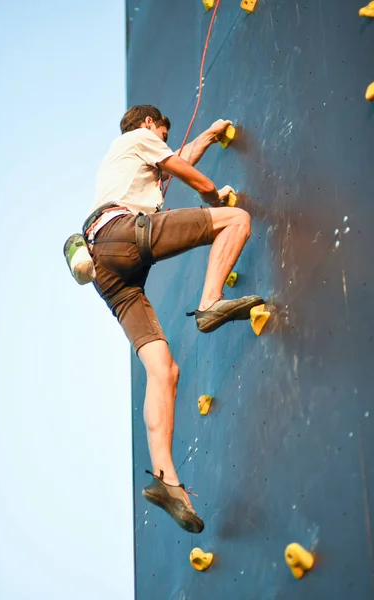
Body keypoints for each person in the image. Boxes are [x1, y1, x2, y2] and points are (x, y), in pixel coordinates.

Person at [83, 105, 263, 534]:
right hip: (123, 235)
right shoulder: (136, 139)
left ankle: (167, 481)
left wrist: (210, 134)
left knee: (163, 370)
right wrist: (212, 196)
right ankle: (211, 301)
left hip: (107, 270)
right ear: (149, 125)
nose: (163, 140)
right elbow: (185, 170)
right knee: (236, 220)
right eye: (162, 132)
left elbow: (177, 158)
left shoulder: (128, 163)